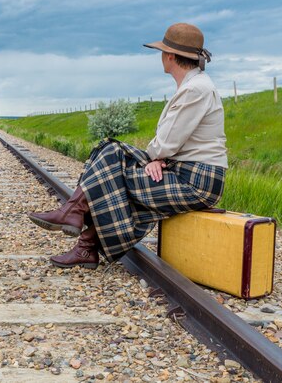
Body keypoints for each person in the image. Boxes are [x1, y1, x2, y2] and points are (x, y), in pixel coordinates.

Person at [29, 22, 228, 269]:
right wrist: (159, 158)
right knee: (108, 154)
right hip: (185, 172)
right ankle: (83, 240)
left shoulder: (196, 89)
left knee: (112, 166)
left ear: (169, 56)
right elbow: (175, 141)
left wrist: (157, 158)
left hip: (196, 182)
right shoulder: (194, 86)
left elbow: (165, 143)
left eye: (162, 52)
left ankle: (76, 221)